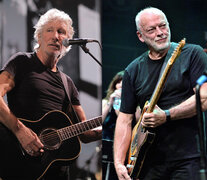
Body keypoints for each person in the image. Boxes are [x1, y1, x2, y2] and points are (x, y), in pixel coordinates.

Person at [0, 8, 101, 180]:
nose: (56, 36)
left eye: (61, 32)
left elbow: (83, 132)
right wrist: (20, 130)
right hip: (16, 158)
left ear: (67, 41)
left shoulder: (67, 83)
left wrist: (108, 125)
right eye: (50, 30)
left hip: (55, 171)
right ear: (39, 36)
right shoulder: (21, 62)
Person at [113, 7, 207, 180]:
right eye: (152, 29)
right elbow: (125, 119)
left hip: (189, 158)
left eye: (163, 26)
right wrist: (119, 163)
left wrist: (167, 115)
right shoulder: (133, 70)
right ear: (140, 36)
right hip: (148, 162)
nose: (160, 33)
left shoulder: (193, 54)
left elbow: (204, 98)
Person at [102, 71, 124, 180]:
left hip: (120, 142)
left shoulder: (131, 105)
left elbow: (122, 119)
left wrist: (122, 102)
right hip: (106, 141)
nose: (120, 85)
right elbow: (99, 121)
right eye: (118, 82)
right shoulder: (105, 102)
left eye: (123, 82)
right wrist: (110, 102)